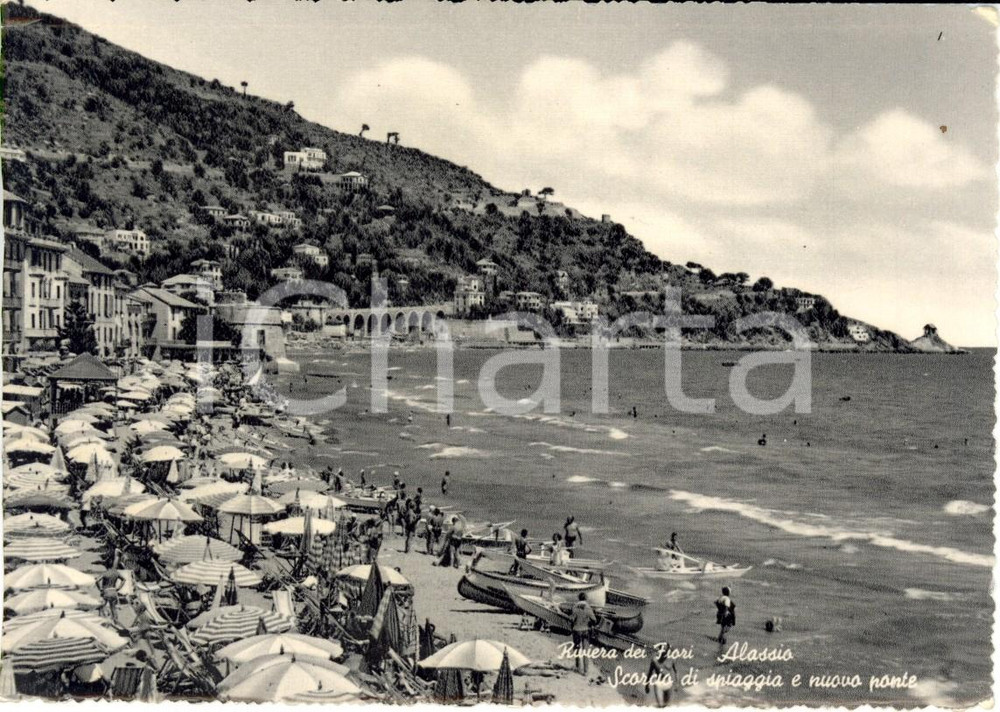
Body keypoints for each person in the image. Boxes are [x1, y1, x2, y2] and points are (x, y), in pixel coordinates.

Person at [570, 592, 597, 674]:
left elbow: (572, 619)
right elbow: (594, 620)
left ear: (579, 598)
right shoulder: (588, 607)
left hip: (576, 630)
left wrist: (572, 627)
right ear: (586, 598)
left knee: (577, 648)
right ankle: (585, 671)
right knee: (585, 650)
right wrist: (589, 624)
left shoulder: (574, 606)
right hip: (585, 630)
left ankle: (578, 667)